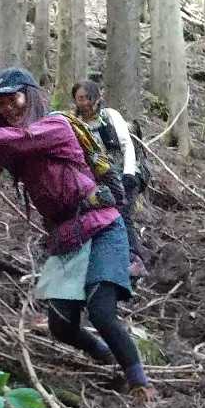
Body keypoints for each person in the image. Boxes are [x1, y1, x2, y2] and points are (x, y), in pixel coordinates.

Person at [0, 69, 154, 402]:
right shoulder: (17, 144)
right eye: (1, 103)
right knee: (61, 325)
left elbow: (10, 139)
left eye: (14, 98)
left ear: (31, 96)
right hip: (66, 235)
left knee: (101, 311)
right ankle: (105, 355)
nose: (8, 108)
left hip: (101, 226)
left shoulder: (55, 127)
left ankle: (140, 384)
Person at [71, 77, 143, 271]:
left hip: (123, 172)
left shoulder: (110, 116)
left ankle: (134, 260)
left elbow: (126, 145)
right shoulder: (76, 123)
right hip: (98, 179)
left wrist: (129, 174)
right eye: (80, 98)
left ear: (96, 97)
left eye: (88, 97)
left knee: (123, 214)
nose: (84, 103)